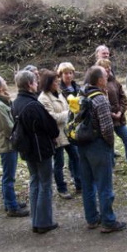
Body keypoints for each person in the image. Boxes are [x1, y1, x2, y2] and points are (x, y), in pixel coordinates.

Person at [78, 66, 126, 233]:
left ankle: (91, 219)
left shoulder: (81, 94)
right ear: (99, 80)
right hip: (98, 145)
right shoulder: (100, 99)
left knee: (87, 184)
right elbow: (107, 128)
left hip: (81, 144)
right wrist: (110, 145)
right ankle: (108, 221)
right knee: (104, 185)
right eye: (105, 76)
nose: (107, 78)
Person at [12, 70, 60, 234]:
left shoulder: (16, 102)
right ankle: (43, 222)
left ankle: (36, 220)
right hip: (40, 149)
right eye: (35, 81)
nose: (37, 84)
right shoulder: (33, 105)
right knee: (44, 184)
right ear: (29, 84)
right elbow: (50, 127)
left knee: (34, 182)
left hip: (27, 149)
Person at [0, 75, 29, 217]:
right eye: (3, 81)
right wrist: (21, 135)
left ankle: (10, 201)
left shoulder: (2, 101)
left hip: (9, 144)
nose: (6, 81)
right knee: (8, 177)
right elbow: (8, 128)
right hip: (7, 145)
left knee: (9, 175)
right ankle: (12, 207)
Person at [96, 59, 127, 169]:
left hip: (119, 118)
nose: (107, 69)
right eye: (105, 67)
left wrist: (120, 111)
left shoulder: (114, 82)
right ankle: (110, 165)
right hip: (106, 120)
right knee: (109, 143)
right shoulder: (98, 85)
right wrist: (111, 113)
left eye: (108, 67)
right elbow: (99, 104)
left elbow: (124, 99)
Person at [38, 70, 74, 199]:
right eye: (54, 81)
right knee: (59, 162)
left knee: (76, 157)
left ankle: (79, 182)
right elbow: (51, 117)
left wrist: (69, 112)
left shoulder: (59, 93)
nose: (57, 82)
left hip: (68, 132)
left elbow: (68, 107)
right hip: (56, 135)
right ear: (48, 83)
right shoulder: (43, 98)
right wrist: (68, 114)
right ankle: (62, 188)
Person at [57, 62, 82, 193]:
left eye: (71, 73)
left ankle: (78, 180)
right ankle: (70, 181)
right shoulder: (58, 89)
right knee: (68, 155)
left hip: (77, 122)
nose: (69, 75)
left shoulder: (76, 86)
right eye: (66, 73)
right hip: (63, 124)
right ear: (60, 75)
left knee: (75, 154)